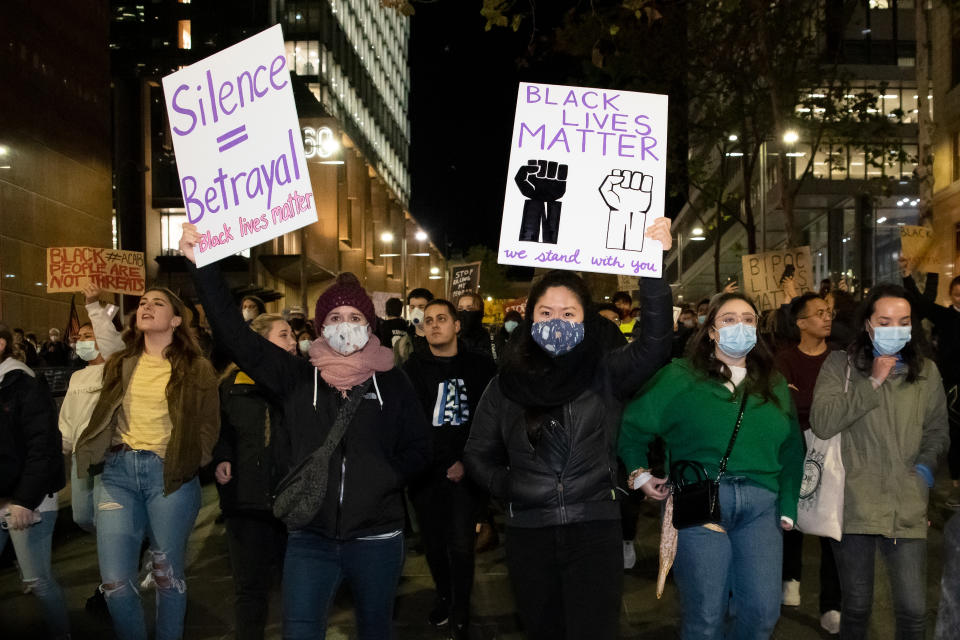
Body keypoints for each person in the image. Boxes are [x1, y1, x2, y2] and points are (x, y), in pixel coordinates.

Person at [180, 222, 431, 640]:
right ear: (320, 326)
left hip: (377, 537)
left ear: (368, 325)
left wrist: (384, 478)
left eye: (354, 317)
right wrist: (201, 265)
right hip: (309, 538)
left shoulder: (392, 380)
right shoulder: (297, 378)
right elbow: (234, 335)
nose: (344, 324)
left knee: (375, 629)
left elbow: (421, 448)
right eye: (334, 317)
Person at [463, 217, 674, 640]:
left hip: (593, 529)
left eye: (567, 312)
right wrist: (512, 486)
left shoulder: (606, 372)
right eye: (545, 312)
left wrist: (653, 267)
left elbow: (655, 344)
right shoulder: (505, 384)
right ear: (529, 317)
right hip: (528, 533)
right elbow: (476, 454)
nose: (555, 320)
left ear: (584, 319)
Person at [620, 292, 804, 640]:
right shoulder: (679, 377)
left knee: (763, 613)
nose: (740, 326)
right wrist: (639, 472)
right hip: (700, 501)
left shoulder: (774, 382)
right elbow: (632, 426)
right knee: (705, 615)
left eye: (748, 320)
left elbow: (794, 447)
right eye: (729, 319)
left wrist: (790, 504)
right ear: (711, 332)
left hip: (762, 508)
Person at [74, 287, 220, 640]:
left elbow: (208, 425)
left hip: (169, 477)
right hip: (117, 474)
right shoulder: (120, 363)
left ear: (175, 320)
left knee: (168, 577)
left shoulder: (196, 367)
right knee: (114, 582)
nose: (146, 307)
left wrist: (188, 459)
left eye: (158, 303)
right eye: (142, 303)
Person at [810, 284, 949, 640]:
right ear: (868, 326)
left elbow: (937, 431)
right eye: (884, 321)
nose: (894, 329)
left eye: (903, 322)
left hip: (907, 503)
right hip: (854, 502)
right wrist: (872, 381)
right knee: (856, 606)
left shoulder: (927, 372)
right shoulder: (839, 364)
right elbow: (823, 423)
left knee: (914, 609)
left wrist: (924, 471)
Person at [402, 299, 497, 638]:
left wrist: (465, 461)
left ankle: (460, 608)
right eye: (428, 320)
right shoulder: (410, 370)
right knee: (434, 543)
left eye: (442, 318)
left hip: (467, 474)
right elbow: (411, 424)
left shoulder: (481, 367)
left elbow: (489, 420)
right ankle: (445, 594)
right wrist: (441, 462)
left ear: (457, 325)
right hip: (426, 474)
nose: (435, 325)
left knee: (461, 544)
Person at [213, 313, 294, 640]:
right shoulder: (230, 386)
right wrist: (222, 458)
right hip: (245, 502)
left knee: (297, 587)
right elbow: (219, 432)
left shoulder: (302, 381)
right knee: (249, 589)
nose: (293, 342)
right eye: (284, 335)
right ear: (260, 342)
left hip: (293, 503)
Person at [773, 292, 842, 633]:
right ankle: (791, 577)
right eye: (818, 313)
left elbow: (840, 406)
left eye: (829, 312)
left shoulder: (841, 360)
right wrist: (822, 406)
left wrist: (806, 400)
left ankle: (832, 603)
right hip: (796, 445)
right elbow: (787, 403)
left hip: (836, 451)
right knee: (793, 511)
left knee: (832, 522)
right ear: (801, 323)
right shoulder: (784, 359)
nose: (827, 318)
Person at [0, 322, 70, 640]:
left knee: (38, 580)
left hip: (29, 501)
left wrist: (24, 500)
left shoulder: (23, 383)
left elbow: (42, 446)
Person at [902, 263, 960, 508]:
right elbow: (921, 304)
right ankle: (957, 485)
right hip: (953, 384)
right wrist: (907, 276)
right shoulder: (945, 316)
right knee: (955, 432)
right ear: (951, 295)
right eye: (957, 293)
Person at [394, 287, 434, 365]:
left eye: (421, 307)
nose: (416, 311)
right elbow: (398, 373)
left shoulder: (441, 338)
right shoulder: (401, 344)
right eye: (412, 307)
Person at [455, 292, 496, 360]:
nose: (464, 313)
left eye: (470, 309)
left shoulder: (492, 341)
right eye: (460, 309)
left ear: (480, 312)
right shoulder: (452, 341)